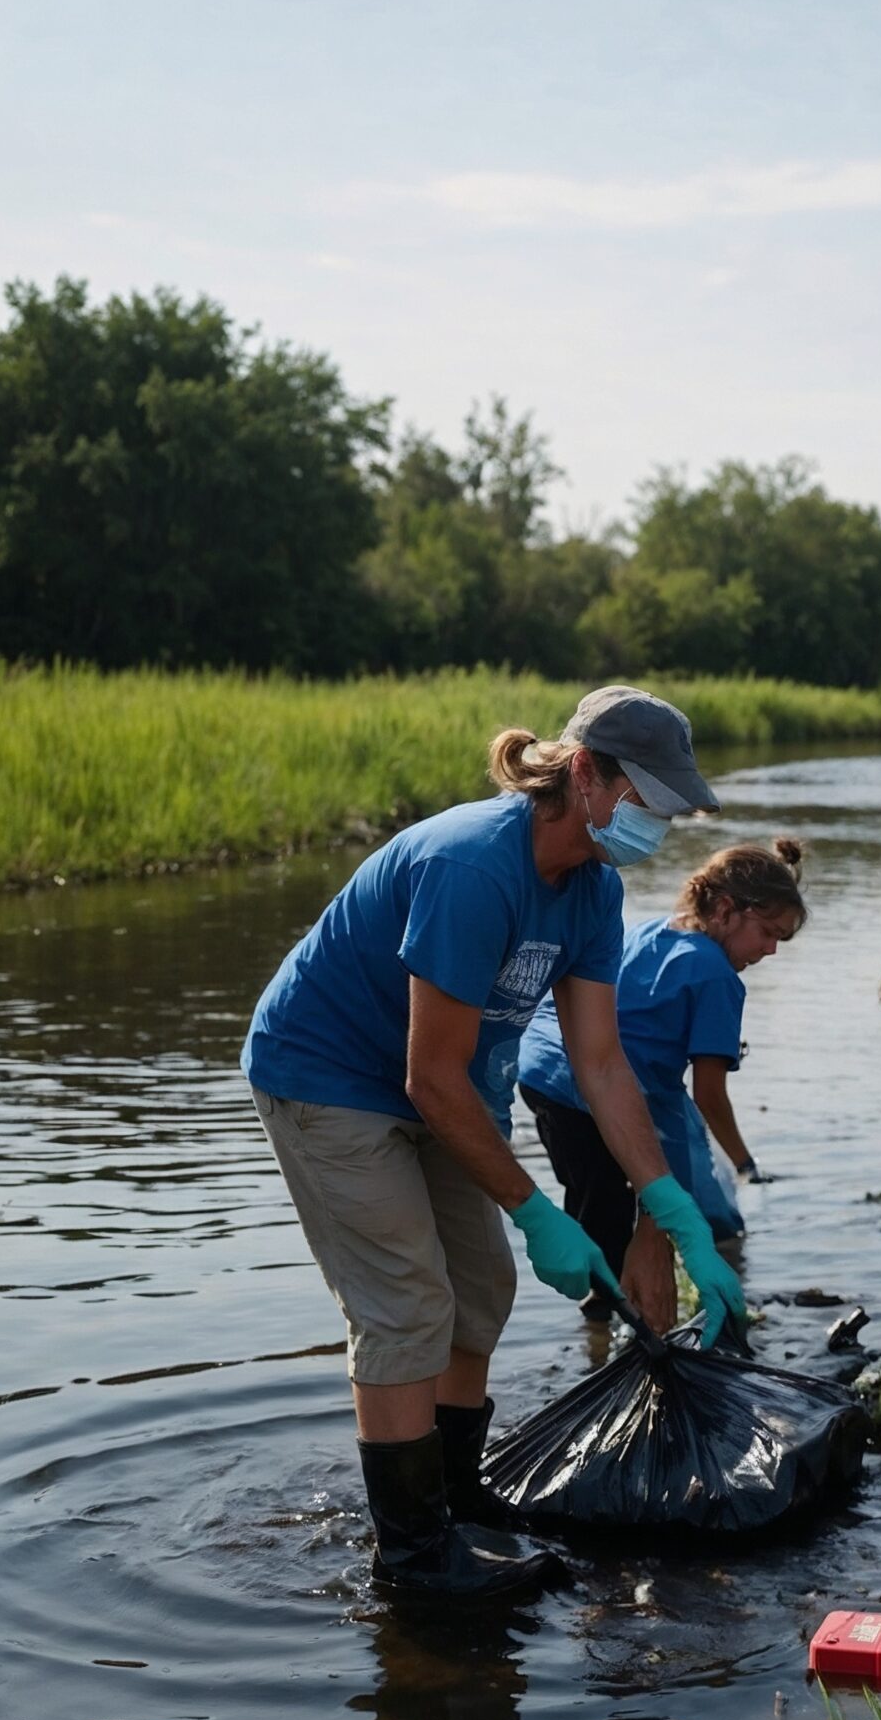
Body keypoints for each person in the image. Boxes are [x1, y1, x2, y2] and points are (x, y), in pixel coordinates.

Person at [240, 686, 727, 1607]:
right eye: (648, 799)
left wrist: (668, 1206)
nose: (659, 822)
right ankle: (415, 1555)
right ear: (585, 773)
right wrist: (540, 1210)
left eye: (670, 807)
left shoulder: (593, 887)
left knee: (482, 1290)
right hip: (328, 1075)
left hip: (450, 1084)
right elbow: (429, 1077)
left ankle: (459, 1498)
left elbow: (602, 1063)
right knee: (407, 1306)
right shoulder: (473, 867)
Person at [516, 839, 805, 1334]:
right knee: (649, 1212)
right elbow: (708, 1097)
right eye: (768, 933)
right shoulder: (717, 975)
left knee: (600, 1210)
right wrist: (744, 1163)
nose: (771, 950)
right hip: (590, 1091)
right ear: (724, 910)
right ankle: (636, 1333)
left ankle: (600, 1326)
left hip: (541, 1070)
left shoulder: (648, 931)